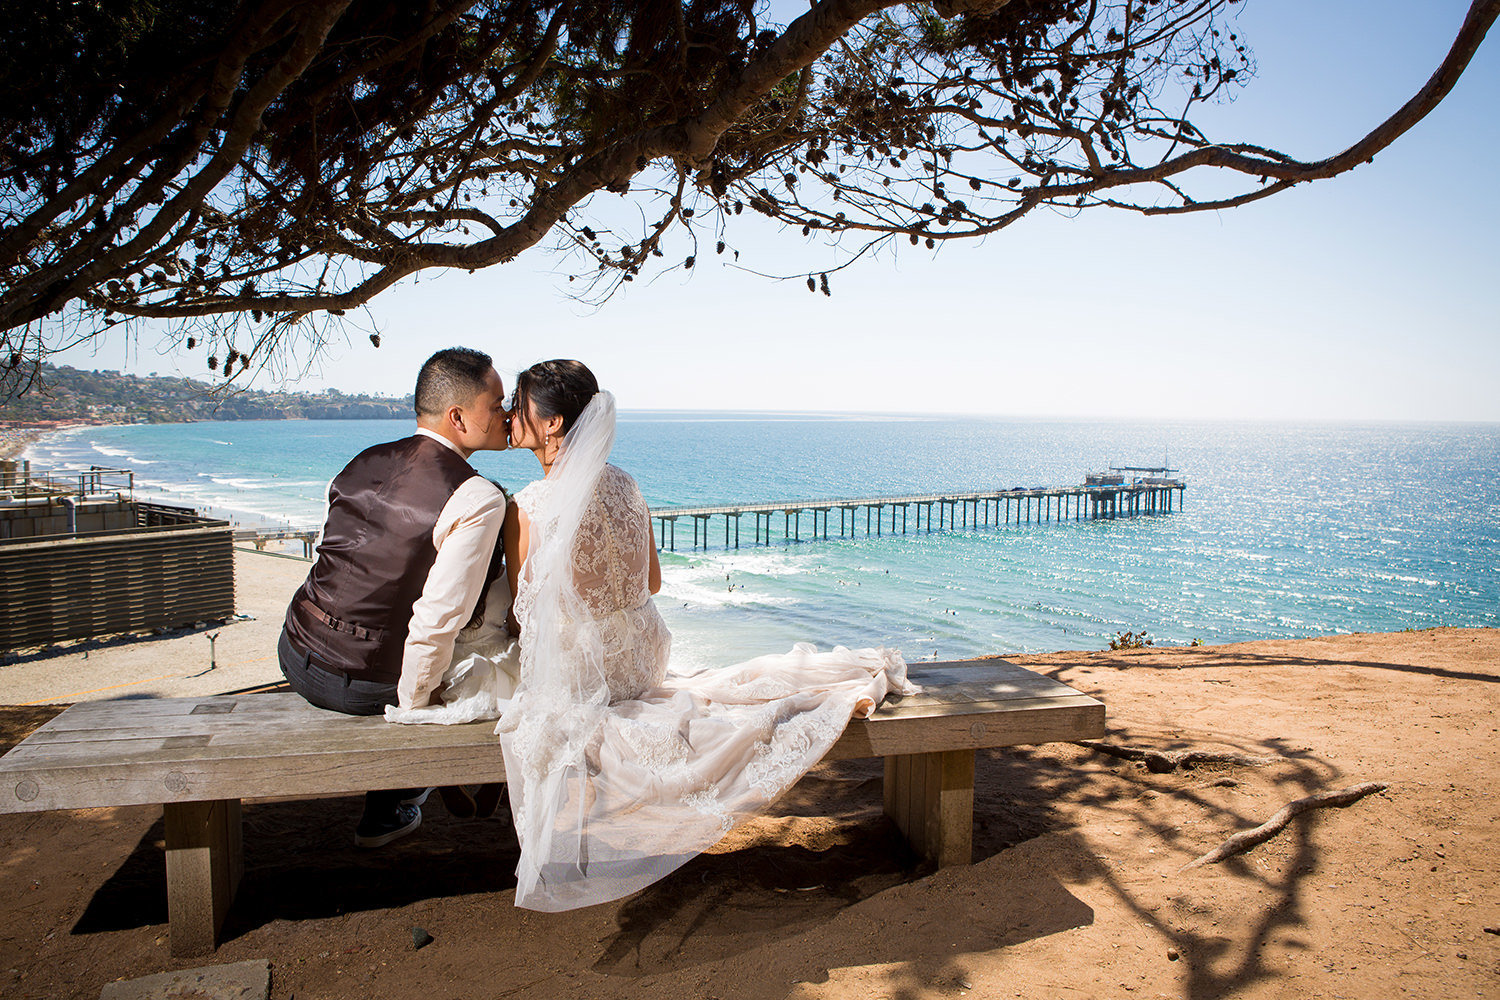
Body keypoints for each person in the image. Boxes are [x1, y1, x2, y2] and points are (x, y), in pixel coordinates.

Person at [494, 360, 915, 911]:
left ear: (551, 425)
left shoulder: (528, 506)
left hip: (589, 675)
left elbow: (526, 616)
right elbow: (652, 580)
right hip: (643, 660)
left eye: (518, 406)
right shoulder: (626, 484)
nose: (509, 416)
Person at [279, 347, 511, 847]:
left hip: (295, 652)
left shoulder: (363, 459)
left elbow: (338, 560)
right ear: (458, 417)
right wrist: (414, 715)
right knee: (486, 662)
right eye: (495, 405)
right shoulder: (478, 497)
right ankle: (394, 800)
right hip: (363, 686)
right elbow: (436, 619)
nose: (506, 414)